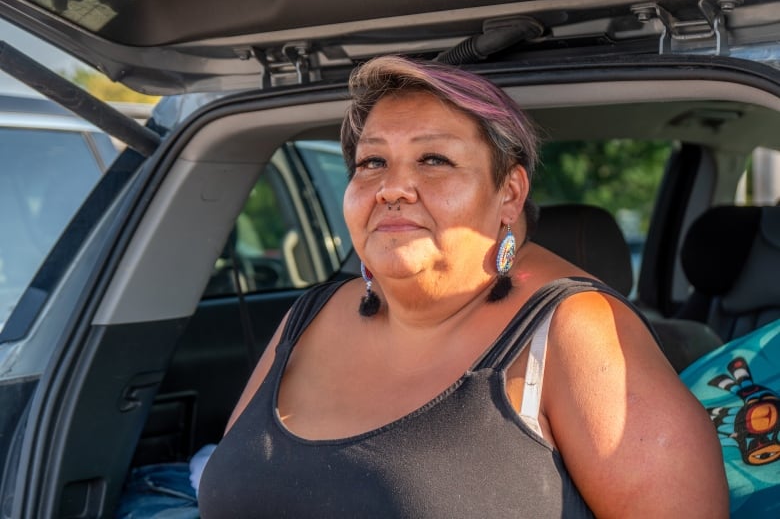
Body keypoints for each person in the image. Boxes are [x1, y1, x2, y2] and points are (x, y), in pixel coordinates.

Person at [198, 55, 729, 518]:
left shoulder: (576, 331)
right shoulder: (307, 316)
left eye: (434, 160)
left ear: (509, 193)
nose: (392, 188)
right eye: (372, 162)